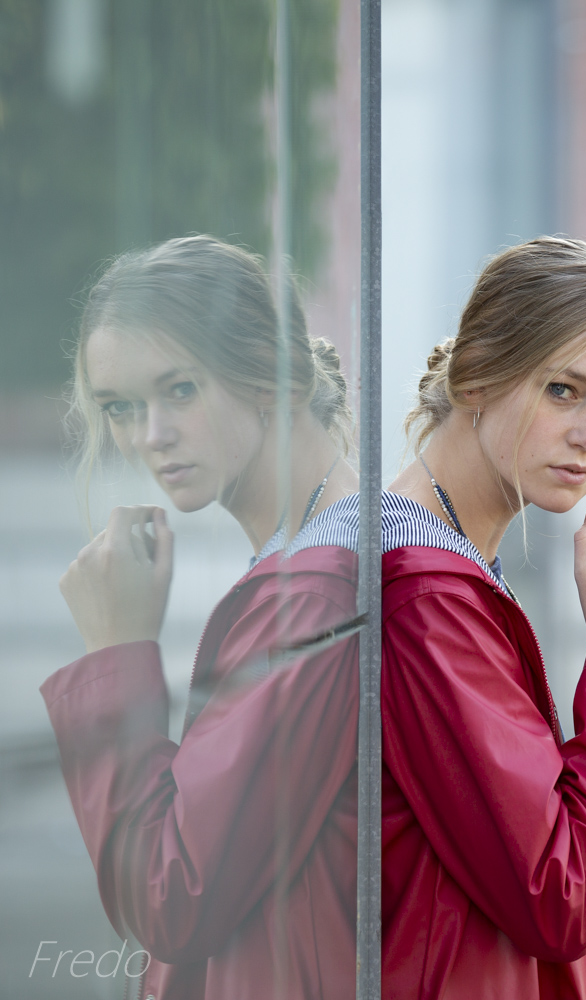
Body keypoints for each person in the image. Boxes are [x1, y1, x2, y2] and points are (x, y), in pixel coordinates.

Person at [43, 235, 361, 999]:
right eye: (121, 408)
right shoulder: (314, 566)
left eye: (179, 390)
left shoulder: (316, 596)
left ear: (273, 376)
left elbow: (170, 894)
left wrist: (116, 653)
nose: (148, 436)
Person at [382, 236, 586, 999]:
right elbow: (562, 895)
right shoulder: (424, 597)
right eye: (563, 390)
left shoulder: (442, 568)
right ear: (476, 374)